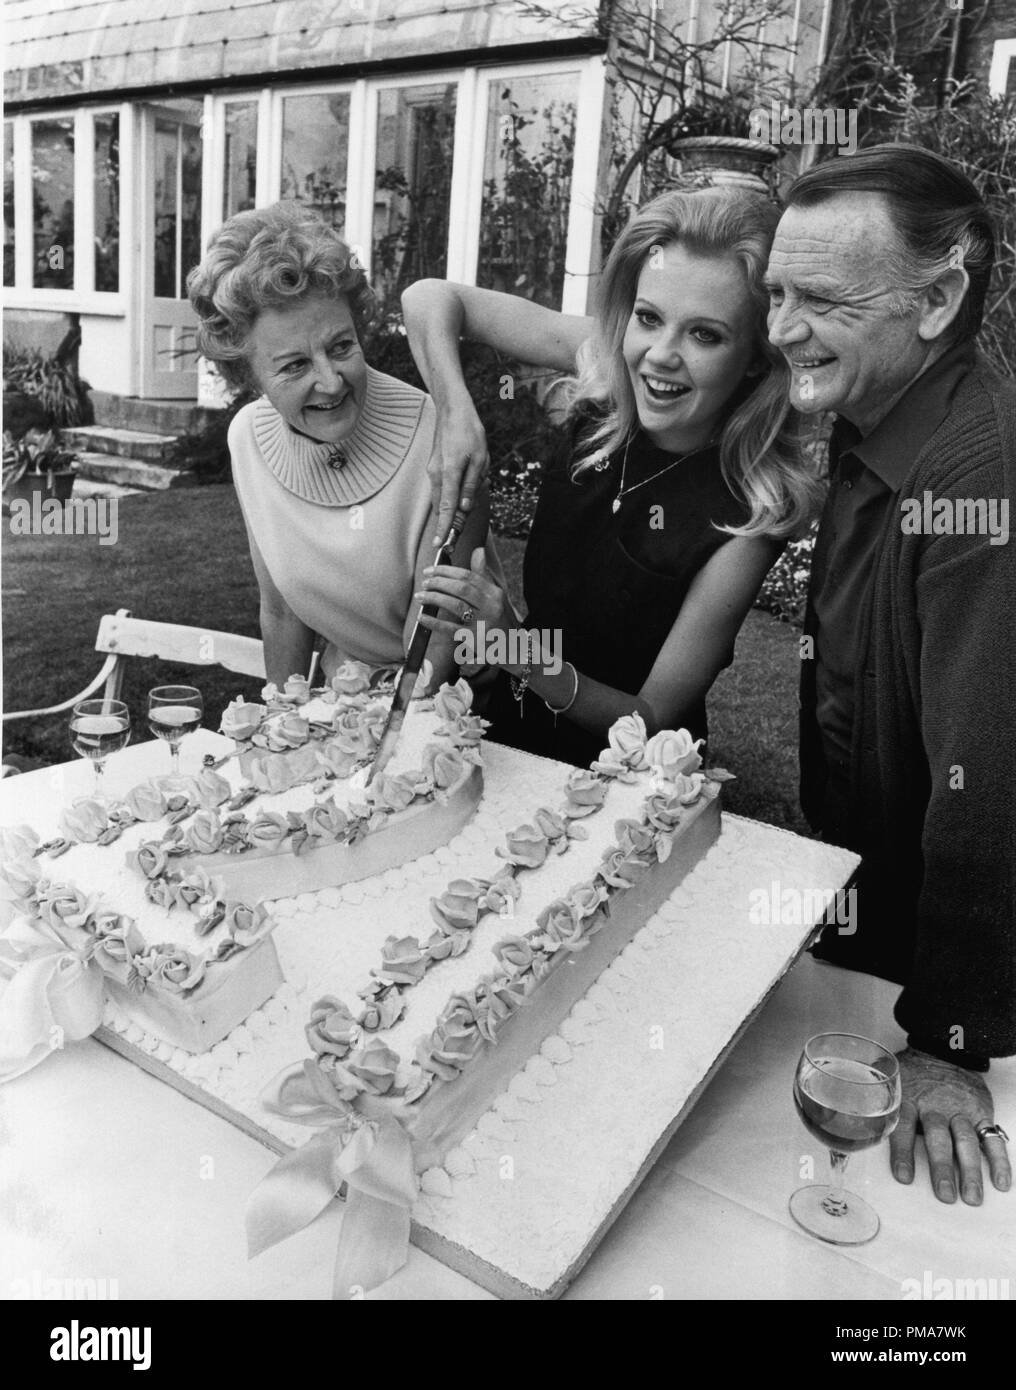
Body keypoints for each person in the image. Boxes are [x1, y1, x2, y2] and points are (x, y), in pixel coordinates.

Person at [765, 143, 1015, 1204]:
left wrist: (949, 1043)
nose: (777, 330)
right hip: (863, 911)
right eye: (773, 293)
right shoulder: (871, 405)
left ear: (936, 298)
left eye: (815, 297)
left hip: (930, 963)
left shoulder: (981, 477)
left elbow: (991, 780)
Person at [404, 186, 824, 767]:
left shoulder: (750, 515)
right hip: (501, 738)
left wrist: (513, 644)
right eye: (648, 318)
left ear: (756, 355)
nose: (659, 355)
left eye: (705, 334)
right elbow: (429, 298)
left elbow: (651, 719)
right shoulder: (606, 366)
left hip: (623, 780)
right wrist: (454, 412)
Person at [186, 201, 492, 689]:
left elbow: (433, 632)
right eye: (294, 366)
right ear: (246, 373)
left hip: (462, 697)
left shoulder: (440, 436)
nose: (330, 383)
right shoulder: (246, 439)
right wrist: (280, 726)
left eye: (341, 347)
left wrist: (381, 743)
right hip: (345, 696)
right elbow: (283, 610)